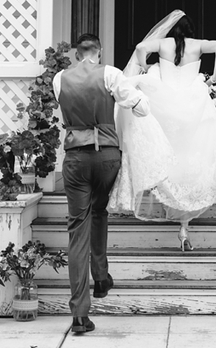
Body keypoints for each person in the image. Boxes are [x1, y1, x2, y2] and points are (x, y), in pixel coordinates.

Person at [108, 10, 216, 251]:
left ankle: (170, 198)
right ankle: (184, 223)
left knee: (167, 147)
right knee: (192, 149)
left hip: (164, 101)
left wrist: (146, 68)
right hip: (192, 101)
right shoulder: (197, 45)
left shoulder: (164, 43)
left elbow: (139, 47)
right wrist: (213, 78)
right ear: (189, 30)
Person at [53, 33, 151, 336]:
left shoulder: (60, 78)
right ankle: (101, 277)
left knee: (77, 231)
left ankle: (80, 315)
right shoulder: (110, 74)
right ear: (100, 51)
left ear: (75, 54)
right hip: (107, 156)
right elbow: (141, 108)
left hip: (75, 159)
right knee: (99, 211)